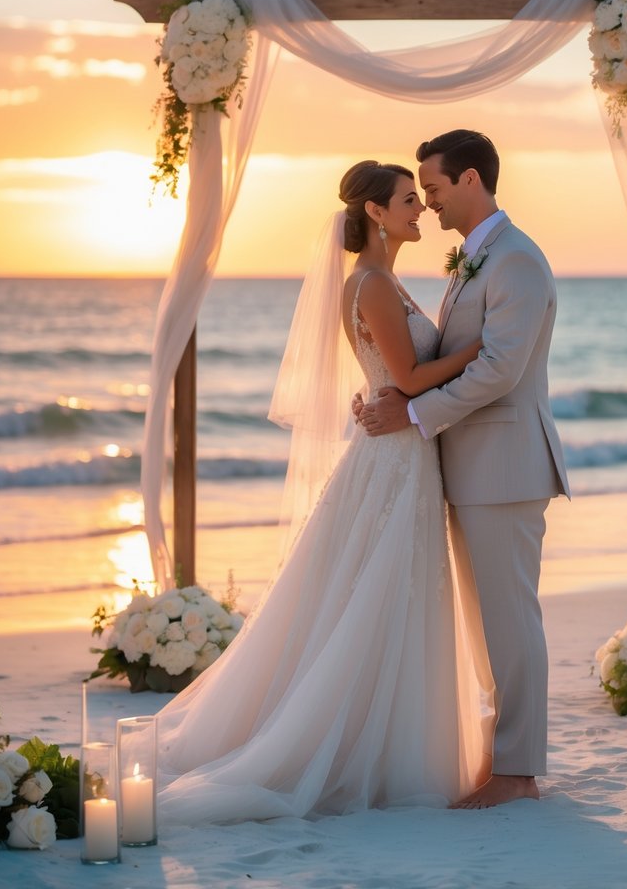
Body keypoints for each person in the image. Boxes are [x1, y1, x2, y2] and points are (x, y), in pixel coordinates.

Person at [155, 160, 484, 824]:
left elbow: (393, 378)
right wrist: (482, 352)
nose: (419, 209)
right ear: (374, 213)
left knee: (377, 598)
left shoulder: (381, 280)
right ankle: (356, 749)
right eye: (407, 200)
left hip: (399, 456)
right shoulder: (371, 284)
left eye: (420, 199)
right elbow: (410, 376)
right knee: (373, 595)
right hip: (391, 460)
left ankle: (391, 742)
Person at [358, 130, 570, 808]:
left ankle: (515, 774)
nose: (429, 202)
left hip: (504, 465)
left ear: (472, 180)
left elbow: (498, 371)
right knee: (488, 626)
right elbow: (443, 359)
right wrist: (397, 394)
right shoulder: (471, 261)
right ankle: (499, 758)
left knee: (510, 623)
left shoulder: (515, 262)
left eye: (437, 188)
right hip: (469, 467)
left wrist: (414, 416)